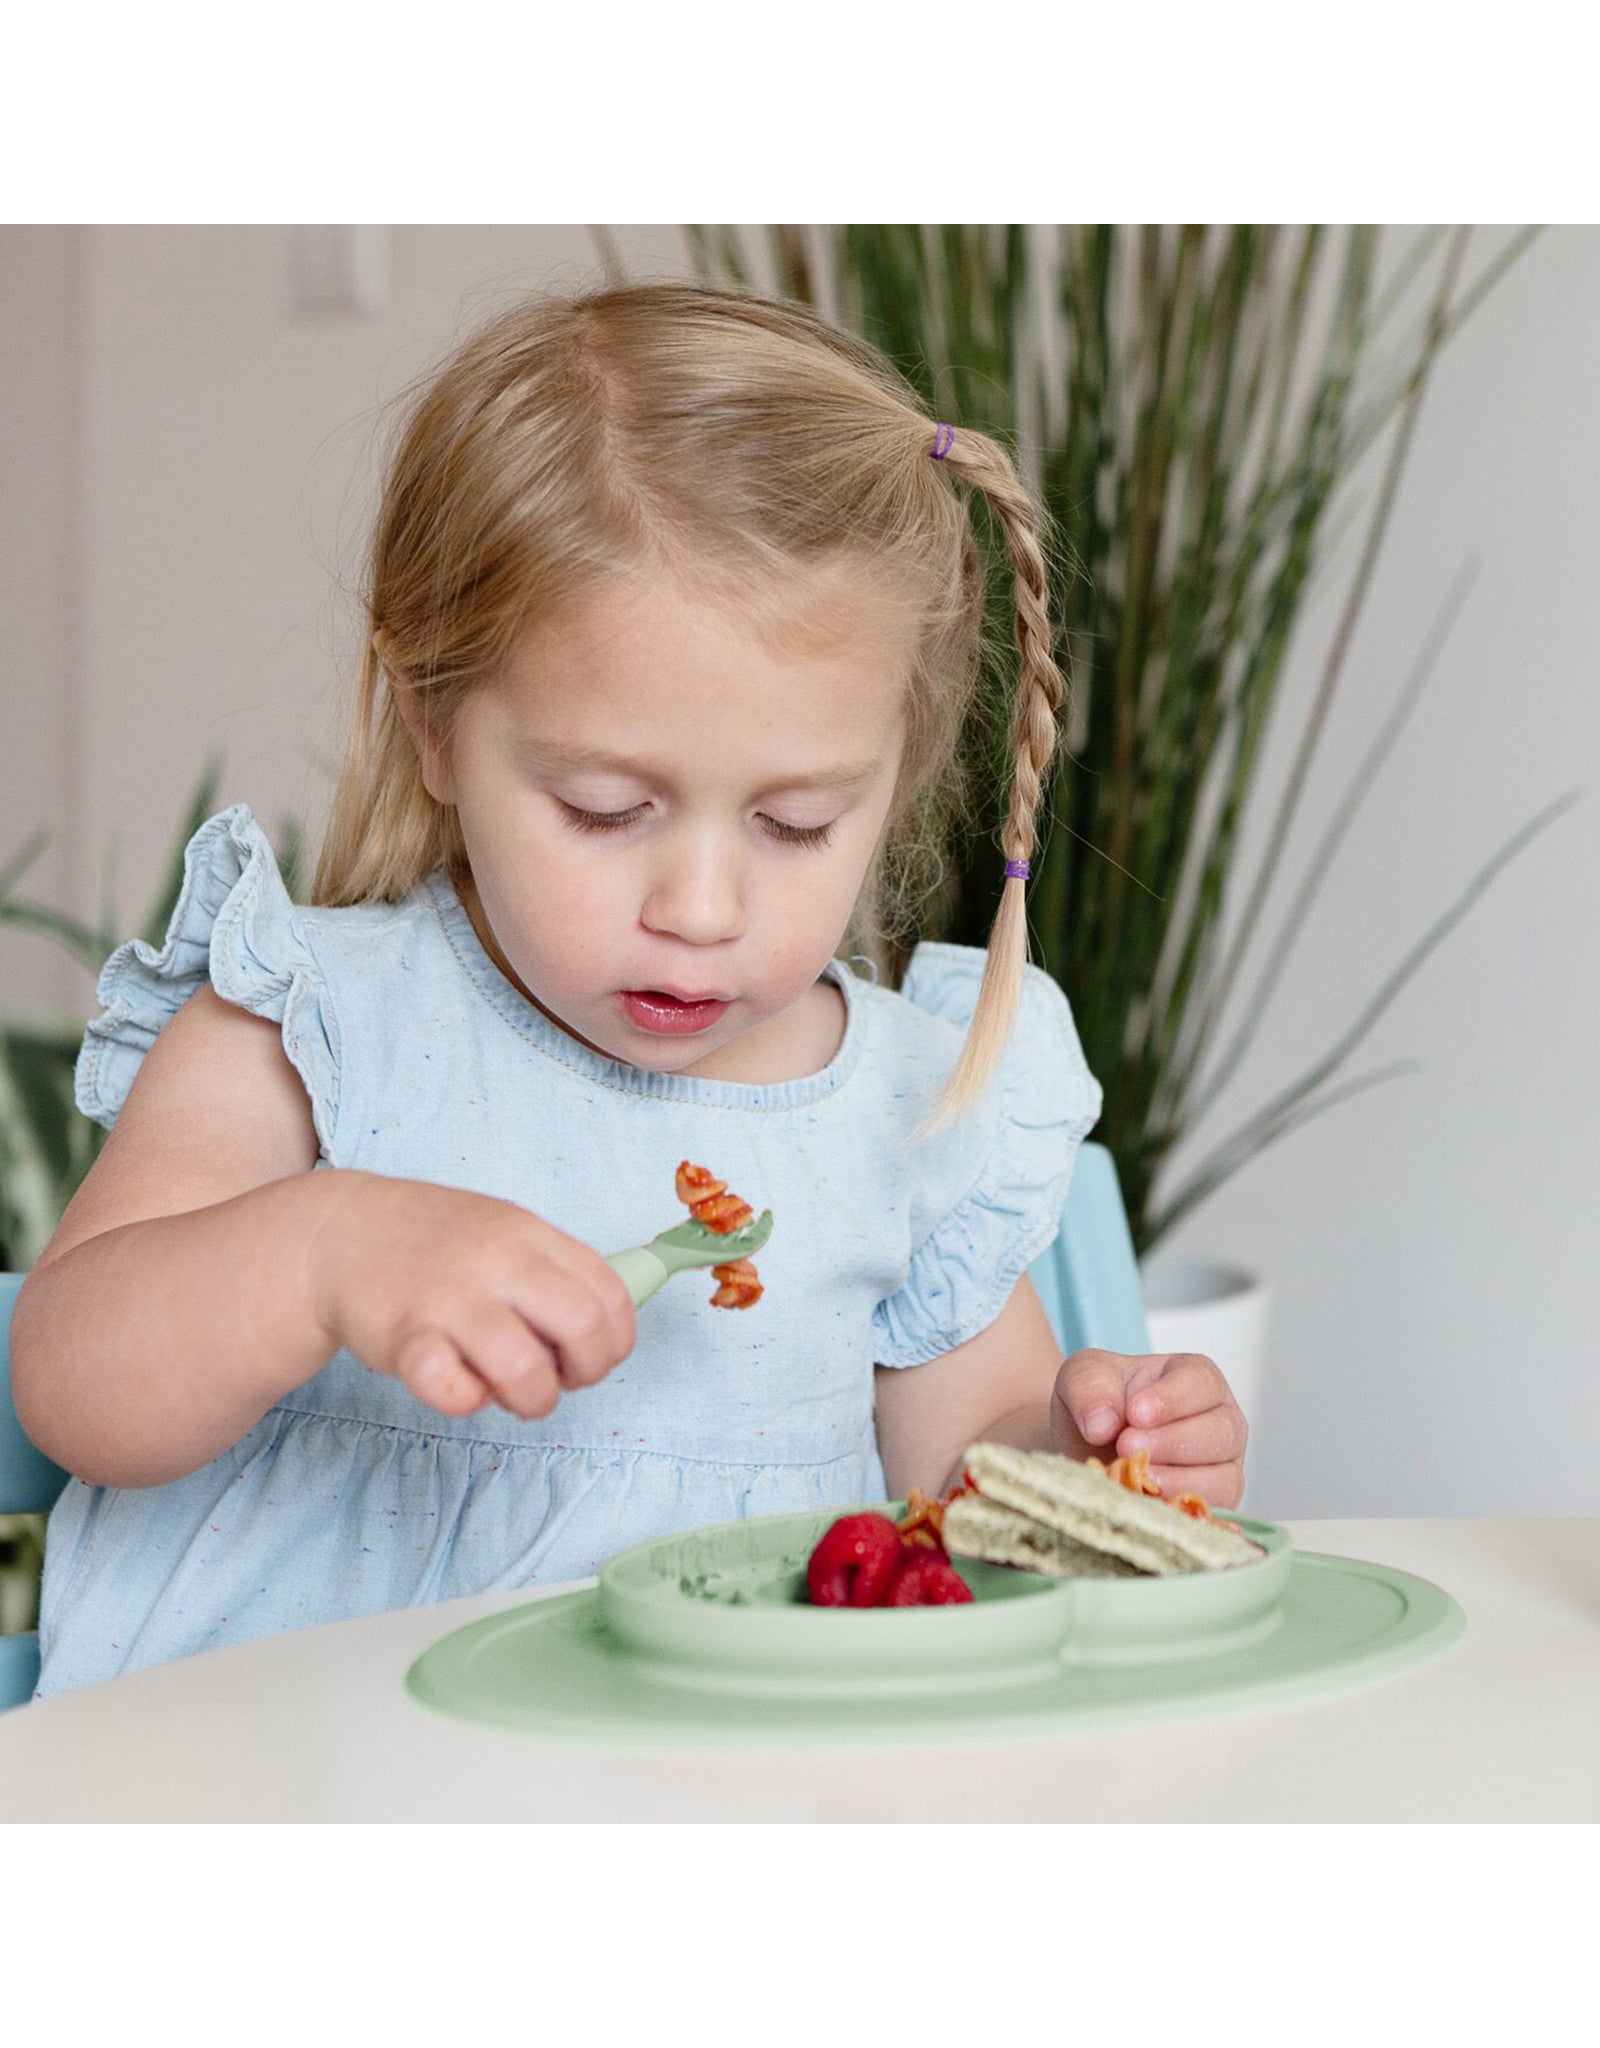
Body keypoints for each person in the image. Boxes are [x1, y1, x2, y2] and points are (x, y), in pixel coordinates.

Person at [12, 281, 1247, 1695]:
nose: (701, 909)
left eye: (795, 826)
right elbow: (70, 1384)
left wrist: (1080, 1464)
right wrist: (315, 1253)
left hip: (731, 1798)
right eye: (605, 808)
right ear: (431, 727)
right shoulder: (313, 1029)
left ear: (893, 784)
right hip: (308, 1792)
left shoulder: (908, 1107)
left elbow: (965, 1494)